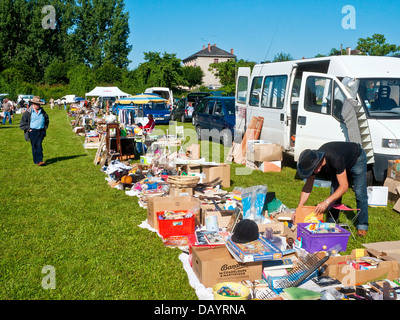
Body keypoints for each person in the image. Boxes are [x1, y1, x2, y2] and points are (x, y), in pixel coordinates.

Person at [296, 141, 369, 237]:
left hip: (357, 158)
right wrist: (299, 210)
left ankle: (362, 226)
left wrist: (326, 202)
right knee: (334, 192)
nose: (313, 172)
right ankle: (331, 224)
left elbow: (344, 187)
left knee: (359, 192)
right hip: (339, 165)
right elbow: (308, 187)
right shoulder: (314, 160)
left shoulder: (335, 158)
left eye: (312, 170)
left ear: (318, 164)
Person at [19, 96, 49, 166]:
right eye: (36, 104)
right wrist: (28, 128)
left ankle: (39, 160)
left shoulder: (42, 111)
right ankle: (38, 161)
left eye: (39, 104)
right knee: (35, 146)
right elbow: (22, 123)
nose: (38, 105)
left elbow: (47, 119)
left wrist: (45, 127)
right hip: (33, 132)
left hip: (41, 131)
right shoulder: (28, 112)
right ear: (32, 104)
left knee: (39, 145)